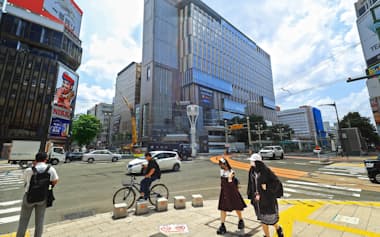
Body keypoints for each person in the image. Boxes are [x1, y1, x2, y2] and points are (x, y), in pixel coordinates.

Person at [16, 152, 59, 237]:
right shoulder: (51, 169)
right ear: (46, 159)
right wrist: (49, 185)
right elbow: (55, 180)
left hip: (29, 197)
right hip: (42, 198)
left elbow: (24, 180)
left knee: (23, 220)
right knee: (40, 220)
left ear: (35, 159)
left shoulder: (29, 170)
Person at [247, 153, 284, 237]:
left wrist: (267, 186)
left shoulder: (266, 171)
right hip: (258, 200)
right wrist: (250, 195)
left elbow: (277, 182)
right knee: (263, 220)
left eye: (252, 161)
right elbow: (250, 183)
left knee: (271, 220)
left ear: (257, 162)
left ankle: (278, 228)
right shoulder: (252, 171)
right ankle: (267, 235)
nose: (250, 163)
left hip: (267, 199)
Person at [216, 157, 246, 235]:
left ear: (226, 164)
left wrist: (230, 178)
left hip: (232, 193)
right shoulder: (221, 171)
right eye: (220, 164)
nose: (221, 165)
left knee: (237, 207)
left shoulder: (231, 172)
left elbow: (230, 183)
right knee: (223, 209)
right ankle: (222, 225)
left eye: (222, 164)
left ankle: (241, 220)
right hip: (224, 193)